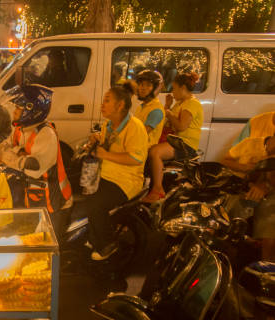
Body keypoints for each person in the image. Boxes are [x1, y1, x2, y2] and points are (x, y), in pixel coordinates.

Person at [83, 81, 148, 260]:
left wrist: (104, 154)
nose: (102, 105)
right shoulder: (108, 125)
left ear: (120, 105)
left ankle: (106, 244)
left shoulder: (135, 127)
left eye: (107, 100)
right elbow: (106, 146)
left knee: (96, 202)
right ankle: (93, 235)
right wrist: (96, 140)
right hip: (107, 174)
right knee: (84, 189)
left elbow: (136, 158)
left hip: (126, 181)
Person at [0, 84, 72, 217]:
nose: (14, 111)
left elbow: (33, 167)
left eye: (19, 108)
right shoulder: (20, 129)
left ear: (31, 110)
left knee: (49, 237)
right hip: (33, 196)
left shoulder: (46, 134)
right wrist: (19, 152)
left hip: (54, 201)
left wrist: (9, 155)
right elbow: (1, 147)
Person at [143, 72, 203, 203]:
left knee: (155, 152)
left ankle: (158, 190)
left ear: (182, 88)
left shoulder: (192, 104)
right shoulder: (180, 103)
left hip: (185, 145)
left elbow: (181, 126)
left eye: (174, 88)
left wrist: (169, 113)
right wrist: (168, 106)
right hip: (175, 142)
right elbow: (168, 120)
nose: (173, 92)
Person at [222, 136, 275, 261]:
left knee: (269, 222)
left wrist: (266, 186)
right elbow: (225, 161)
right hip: (241, 188)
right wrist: (245, 168)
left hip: (267, 194)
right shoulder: (252, 142)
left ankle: (266, 267)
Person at [134, 70, 165, 147]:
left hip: (144, 149)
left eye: (148, 85)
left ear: (155, 88)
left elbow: (142, 133)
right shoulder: (142, 106)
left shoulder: (156, 110)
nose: (143, 88)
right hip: (135, 146)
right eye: (141, 84)